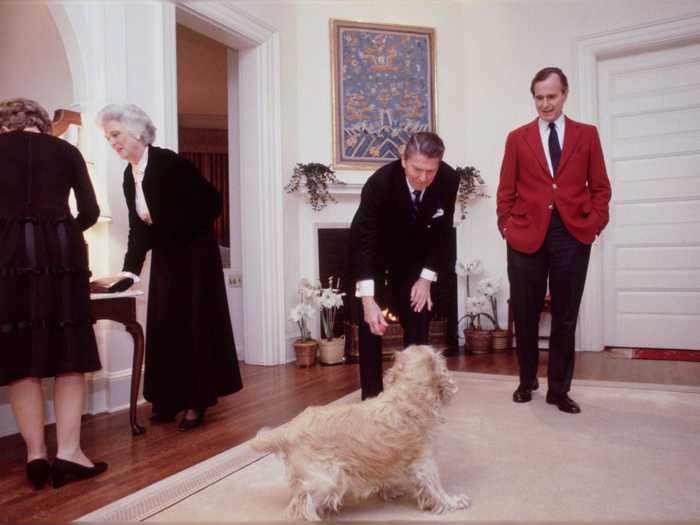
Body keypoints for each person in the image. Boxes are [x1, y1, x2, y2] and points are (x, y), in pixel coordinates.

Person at [96, 104, 242, 431]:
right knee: (165, 323)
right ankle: (168, 398)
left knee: (193, 325)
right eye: (109, 139)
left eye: (116, 135)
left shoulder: (170, 163)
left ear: (136, 132)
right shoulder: (129, 173)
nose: (113, 143)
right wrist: (129, 272)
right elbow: (139, 228)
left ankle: (195, 402)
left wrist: (171, 227)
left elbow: (212, 202)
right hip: (166, 255)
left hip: (194, 255)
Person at [0, 98, 107, 489]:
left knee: (20, 355)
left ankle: (35, 455)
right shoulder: (67, 150)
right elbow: (92, 211)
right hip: (64, 254)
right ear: (42, 124)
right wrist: (62, 228)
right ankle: (69, 452)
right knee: (68, 353)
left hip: (10, 256)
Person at [496, 67, 611, 414]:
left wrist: (593, 225)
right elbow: (506, 190)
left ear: (565, 94)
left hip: (572, 235)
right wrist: (507, 226)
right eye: (539, 97)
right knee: (526, 312)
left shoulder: (587, 135)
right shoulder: (517, 138)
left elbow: (601, 188)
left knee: (565, 316)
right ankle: (526, 379)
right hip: (525, 234)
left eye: (552, 96)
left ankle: (559, 390)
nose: (545, 104)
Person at [349, 132, 459, 400]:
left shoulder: (448, 178)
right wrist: (368, 298)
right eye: (417, 169)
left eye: (430, 171)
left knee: (419, 315)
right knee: (371, 324)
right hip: (373, 253)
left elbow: (443, 232)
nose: (423, 178)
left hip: (415, 257)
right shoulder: (380, 183)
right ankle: (372, 398)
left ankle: (413, 394)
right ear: (403, 160)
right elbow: (363, 241)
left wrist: (426, 278)